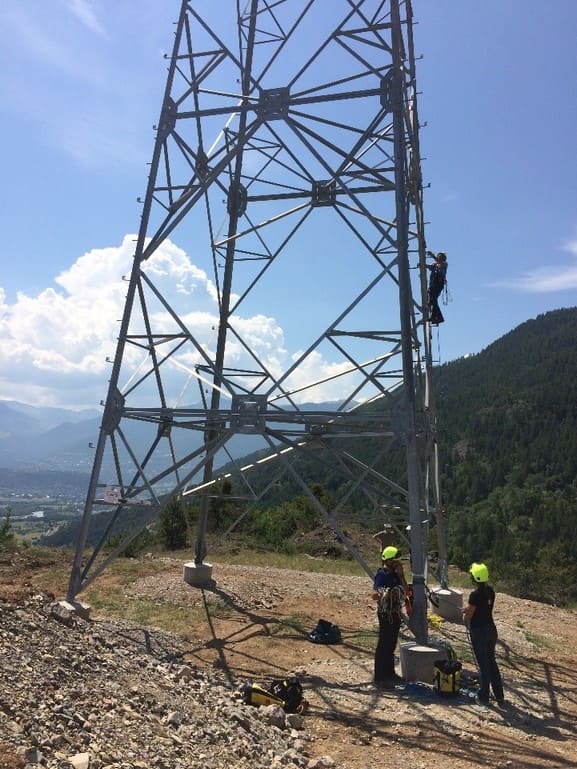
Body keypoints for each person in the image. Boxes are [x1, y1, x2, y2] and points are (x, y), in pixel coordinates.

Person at [462, 562, 505, 707]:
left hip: (479, 631)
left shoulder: (475, 595)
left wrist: (465, 614)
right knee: (491, 661)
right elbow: (480, 609)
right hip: (490, 629)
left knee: (483, 665)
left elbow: (469, 615)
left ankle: (483, 696)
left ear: (474, 578)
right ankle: (499, 695)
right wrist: (468, 609)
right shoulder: (490, 592)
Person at [371, 545, 408, 687]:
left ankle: (390, 672)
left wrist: (401, 575)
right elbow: (375, 594)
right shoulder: (382, 574)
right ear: (389, 561)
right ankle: (380, 676)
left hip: (395, 612)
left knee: (392, 643)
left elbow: (405, 589)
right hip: (385, 613)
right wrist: (384, 594)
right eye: (395, 560)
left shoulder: (396, 575)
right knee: (384, 644)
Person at [422, 251, 448, 324]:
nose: (439, 258)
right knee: (432, 300)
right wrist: (422, 265)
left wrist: (432, 255)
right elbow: (429, 267)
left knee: (433, 299)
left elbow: (439, 261)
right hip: (433, 284)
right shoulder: (435, 265)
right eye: (439, 256)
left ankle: (439, 317)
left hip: (438, 284)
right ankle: (434, 317)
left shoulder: (444, 264)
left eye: (441, 257)